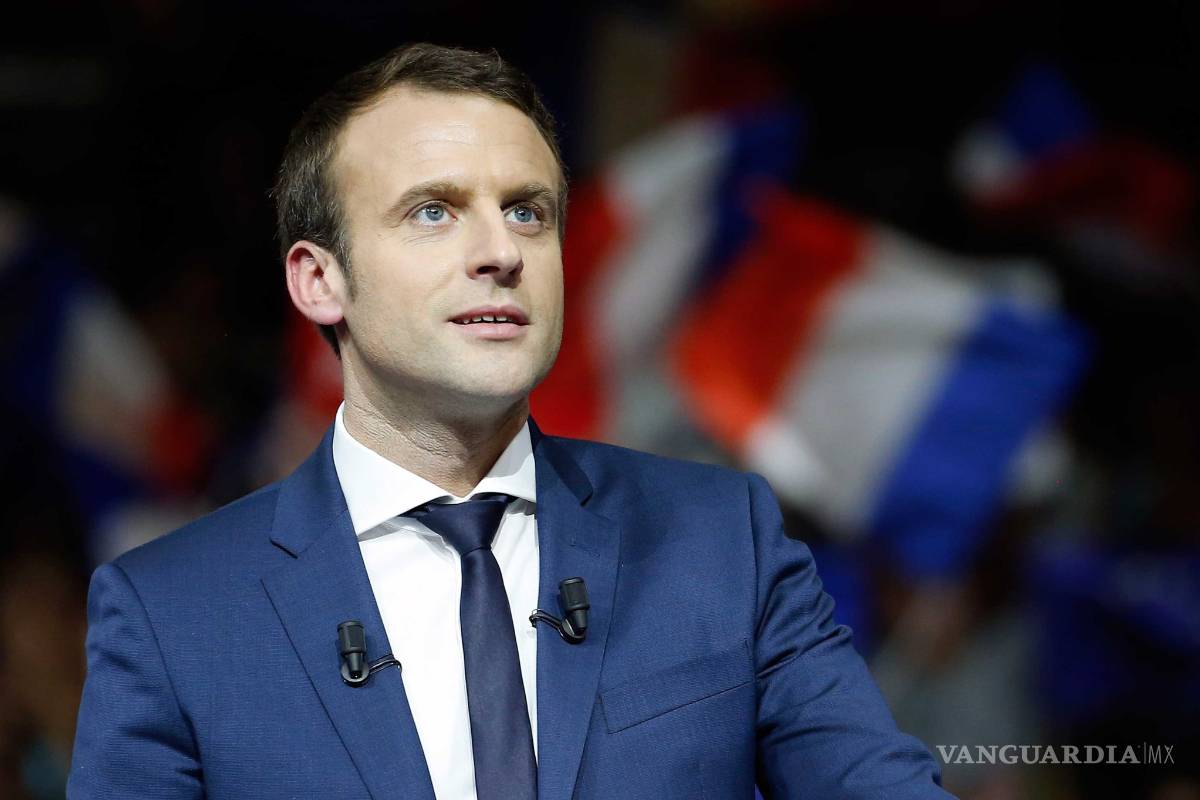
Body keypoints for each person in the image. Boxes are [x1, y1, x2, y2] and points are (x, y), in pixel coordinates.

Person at [68, 43, 954, 799]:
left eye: (527, 211)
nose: (501, 252)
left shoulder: (724, 540)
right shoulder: (172, 615)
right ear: (319, 280)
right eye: (433, 211)